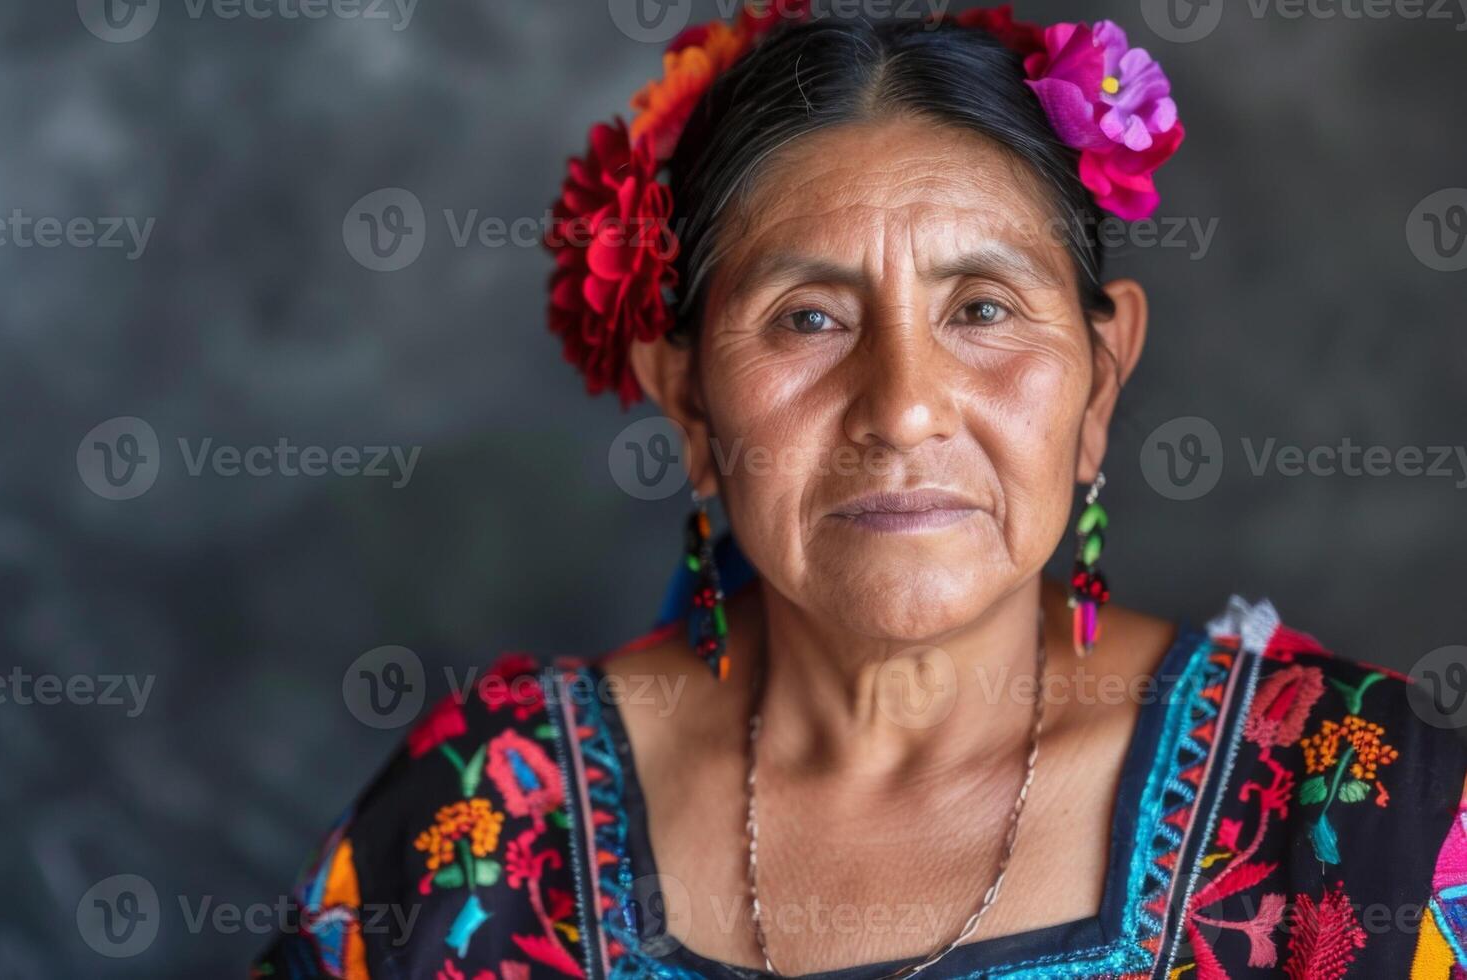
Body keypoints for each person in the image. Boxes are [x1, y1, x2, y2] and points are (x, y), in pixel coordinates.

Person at [255, 4, 1467, 977]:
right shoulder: (478, 828)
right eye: (809, 317)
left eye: (982, 309)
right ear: (687, 403)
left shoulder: (1359, 806)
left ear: (1099, 381)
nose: (902, 406)